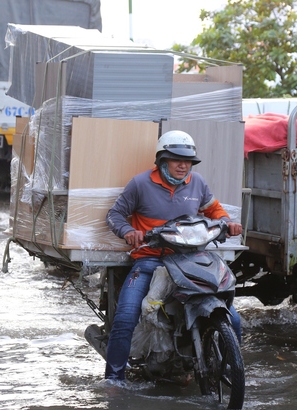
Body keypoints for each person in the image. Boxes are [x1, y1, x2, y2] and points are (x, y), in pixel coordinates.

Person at [104, 130, 244, 381]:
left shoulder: (197, 183)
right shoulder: (140, 184)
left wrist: (227, 222)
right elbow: (114, 215)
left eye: (188, 161)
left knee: (233, 319)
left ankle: (229, 372)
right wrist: (128, 231)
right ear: (161, 160)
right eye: (177, 160)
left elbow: (215, 210)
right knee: (125, 318)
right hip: (150, 260)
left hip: (190, 260)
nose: (183, 166)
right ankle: (114, 381)